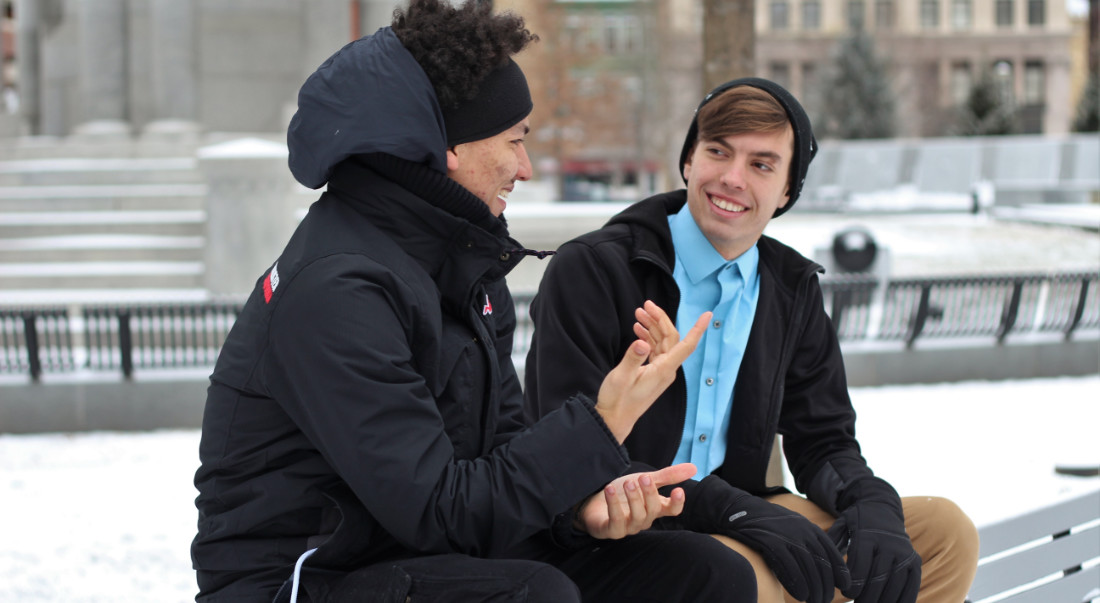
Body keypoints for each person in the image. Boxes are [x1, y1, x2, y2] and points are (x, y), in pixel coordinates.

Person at [190, 1, 754, 601]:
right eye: (513, 141)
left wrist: (583, 507)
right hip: (303, 579)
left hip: (418, 554)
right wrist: (603, 421)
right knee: (533, 594)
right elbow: (439, 509)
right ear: (447, 147)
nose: (526, 167)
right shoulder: (339, 289)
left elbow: (499, 453)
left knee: (703, 572)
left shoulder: (460, 265)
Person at [524, 78, 981, 603]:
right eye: (718, 152)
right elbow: (563, 450)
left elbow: (824, 438)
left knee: (944, 535)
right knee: (755, 578)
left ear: (787, 189)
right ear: (689, 161)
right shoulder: (597, 269)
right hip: (626, 527)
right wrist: (736, 511)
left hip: (744, 516)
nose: (733, 178)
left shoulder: (790, 289)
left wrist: (870, 502)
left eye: (762, 165)